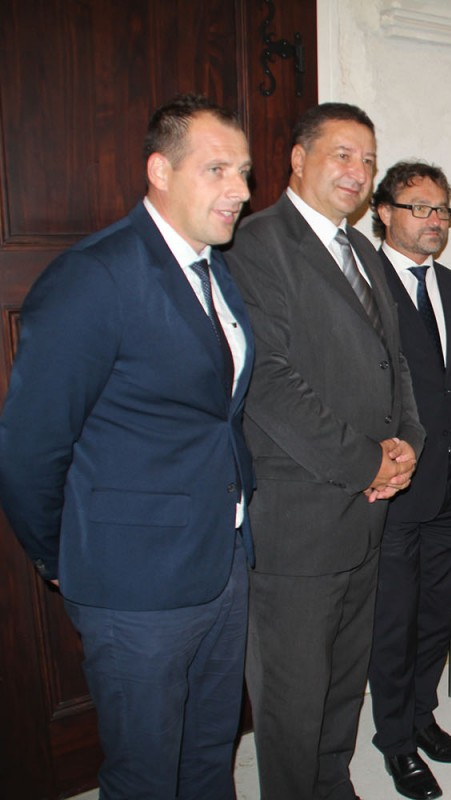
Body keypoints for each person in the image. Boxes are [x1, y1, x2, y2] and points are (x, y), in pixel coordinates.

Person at [0, 94, 254, 798]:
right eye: (217, 169)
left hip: (224, 560)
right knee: (145, 773)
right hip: (134, 584)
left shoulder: (215, 269)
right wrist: (65, 557)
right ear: (160, 171)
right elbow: (29, 447)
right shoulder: (95, 275)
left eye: (243, 172)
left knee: (211, 754)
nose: (239, 189)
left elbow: (215, 416)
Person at [227, 103, 426, 800]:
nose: (358, 171)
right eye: (343, 154)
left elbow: (395, 364)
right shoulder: (255, 244)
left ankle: (333, 782)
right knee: (293, 694)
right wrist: (368, 462)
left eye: (368, 160)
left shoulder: (365, 253)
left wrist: (407, 445)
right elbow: (270, 382)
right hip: (300, 517)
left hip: (366, 512)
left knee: (344, 678)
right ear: (298, 159)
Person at [367, 161, 451, 800]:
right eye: (420, 207)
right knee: (394, 620)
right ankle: (395, 741)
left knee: (437, 613)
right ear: (384, 212)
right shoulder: (361, 283)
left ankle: (422, 718)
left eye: (442, 209)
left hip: (450, 485)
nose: (435, 220)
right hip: (393, 488)